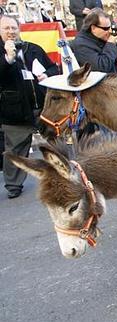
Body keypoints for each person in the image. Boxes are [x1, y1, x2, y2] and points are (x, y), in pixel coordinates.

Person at [0, 14, 58, 198]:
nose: (11, 32)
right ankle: (13, 185)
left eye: (13, 28)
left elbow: (53, 68)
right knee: (15, 150)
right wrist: (8, 59)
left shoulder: (32, 48)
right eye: (6, 28)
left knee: (56, 143)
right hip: (14, 111)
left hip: (42, 107)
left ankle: (63, 173)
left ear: (19, 29)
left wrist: (46, 75)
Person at [70, 8, 117, 74]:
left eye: (110, 27)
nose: (110, 31)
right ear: (93, 28)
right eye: (106, 28)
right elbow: (102, 68)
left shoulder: (102, 36)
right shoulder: (81, 44)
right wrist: (110, 43)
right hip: (103, 82)